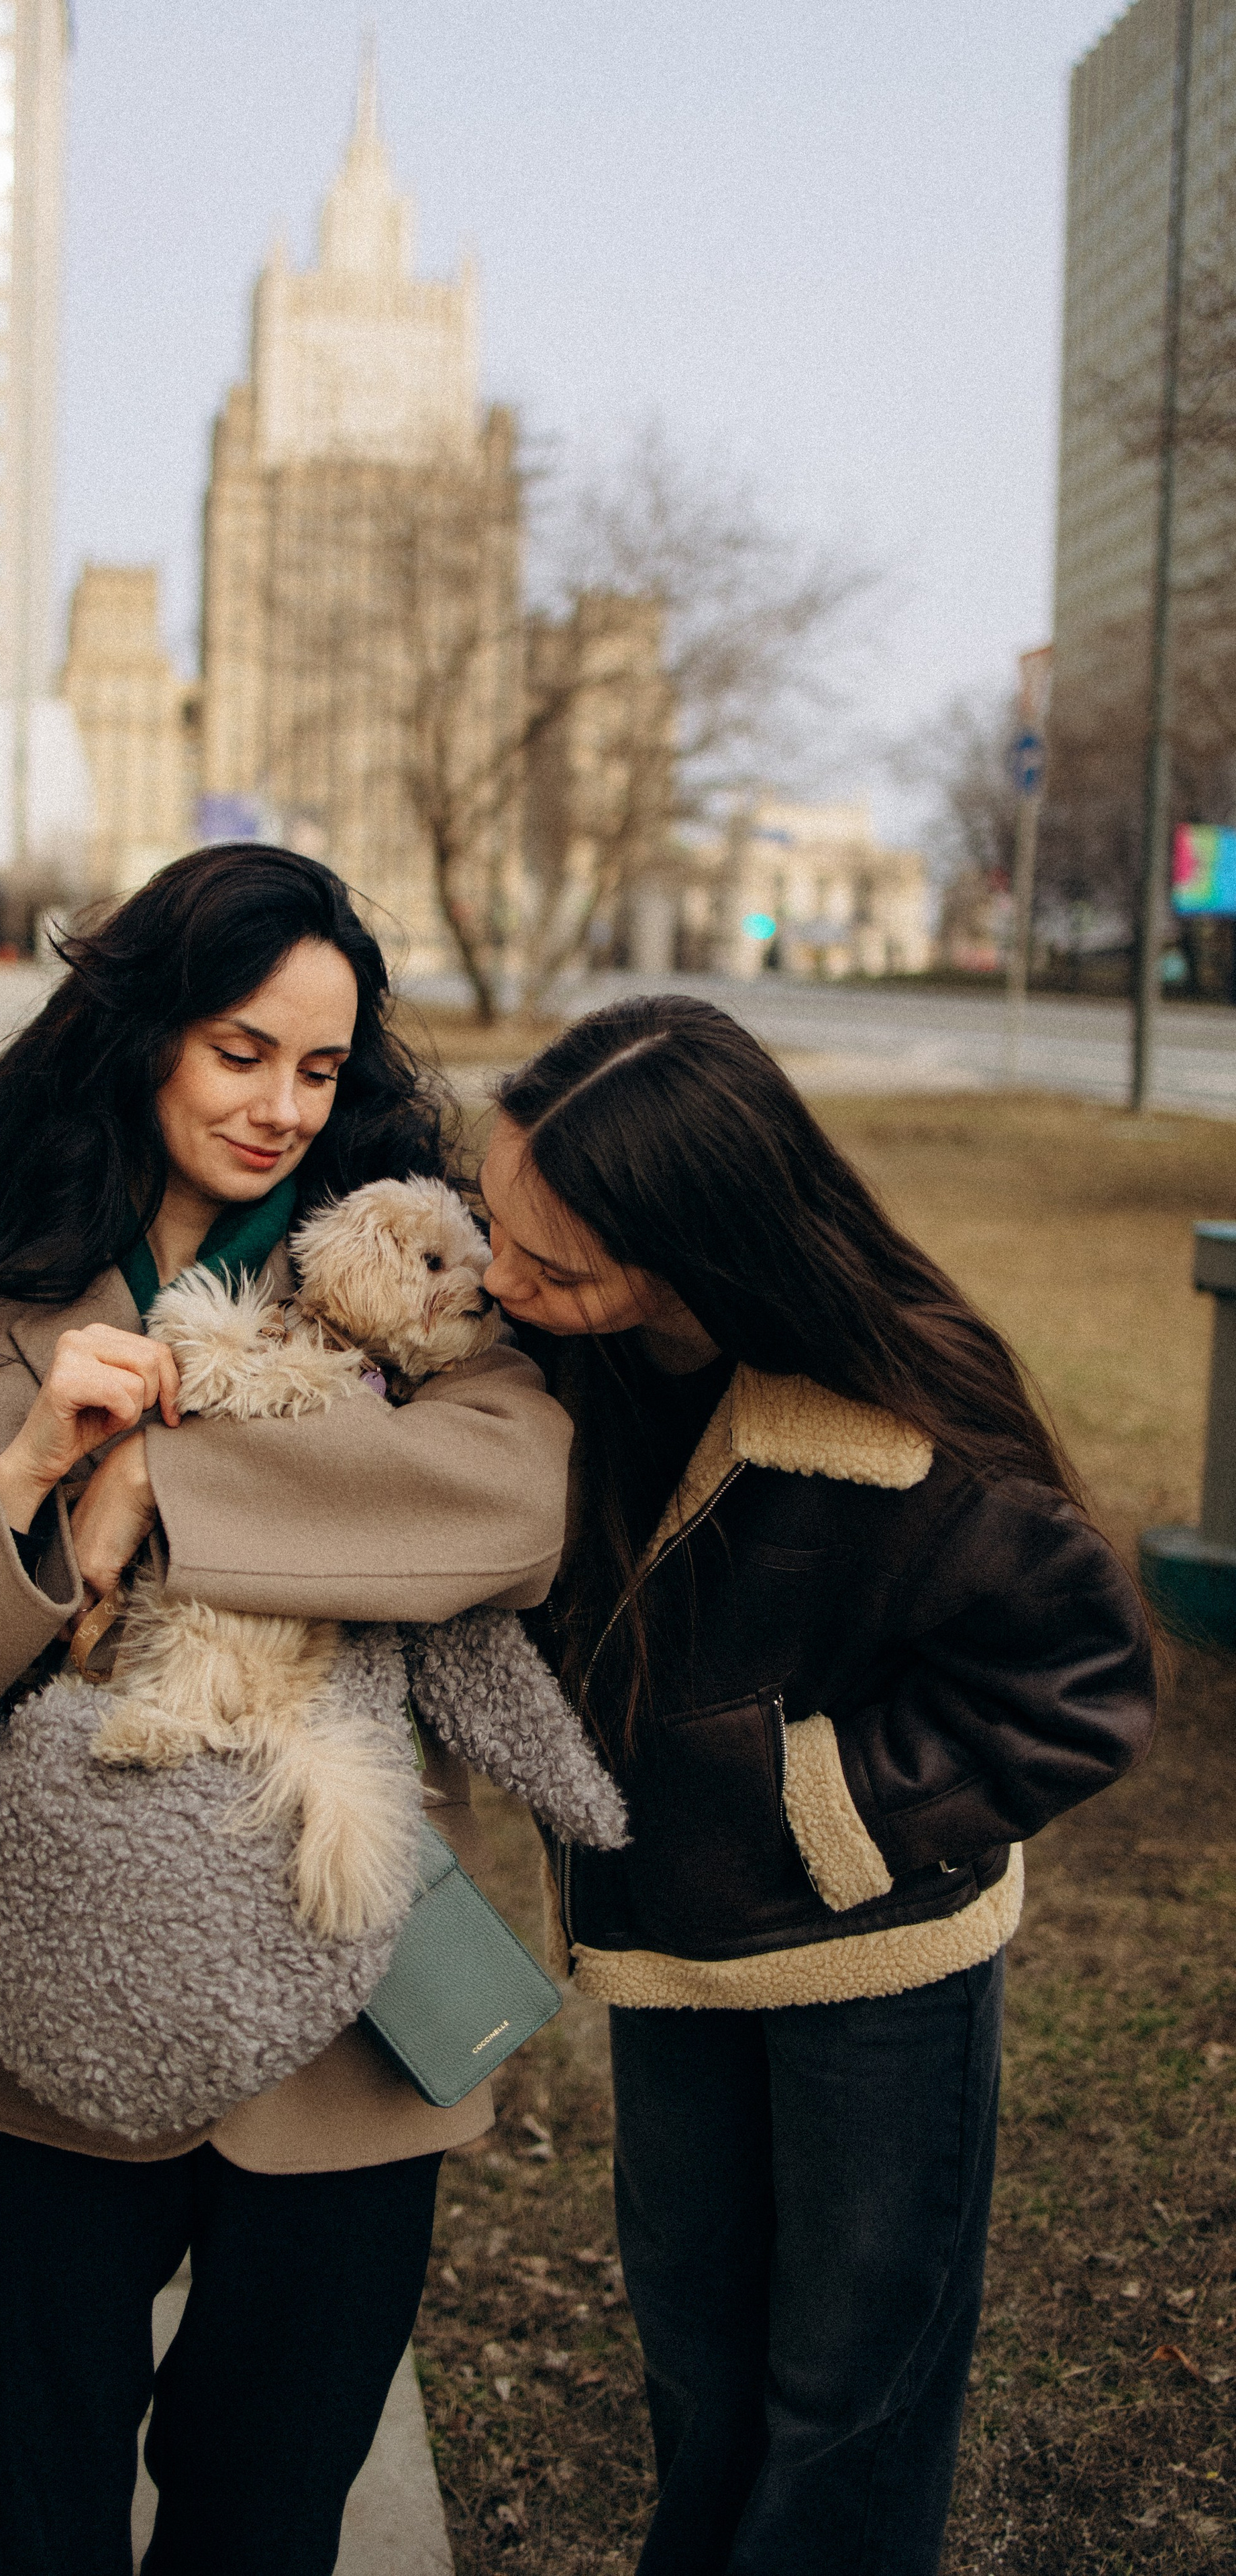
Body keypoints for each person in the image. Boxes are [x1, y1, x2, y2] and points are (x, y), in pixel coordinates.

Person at [0, 845, 571, 2576]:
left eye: (323, 1066)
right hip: (21, 2030)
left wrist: (175, 1495)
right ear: (141, 1037)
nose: (284, 1106)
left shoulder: (401, 1276)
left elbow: (516, 1501)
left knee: (262, 2533)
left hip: (346, 2039)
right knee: (34, 2534)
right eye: (240, 1050)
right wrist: (43, 1468)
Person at [476, 996, 1155, 2576]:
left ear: (693, 1247)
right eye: (492, 1229)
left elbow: (1080, 1679)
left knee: (849, 2379)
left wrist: (821, 1809)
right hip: (668, 1951)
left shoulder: (902, 1424)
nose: (501, 1285)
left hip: (872, 1967)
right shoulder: (565, 1363)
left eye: (551, 1265)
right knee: (694, 2351)